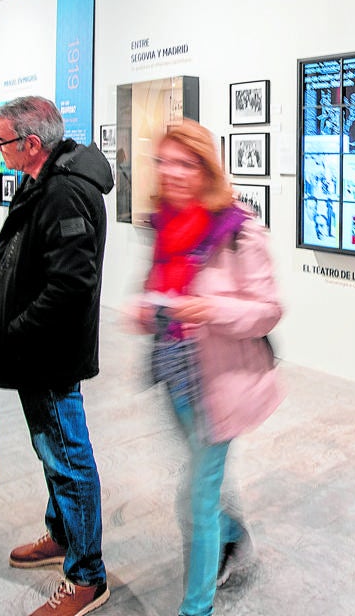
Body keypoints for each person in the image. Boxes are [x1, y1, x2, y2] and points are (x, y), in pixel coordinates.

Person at [129, 119, 283, 616]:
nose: (171, 173)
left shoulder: (238, 229)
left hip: (219, 382)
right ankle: (233, 537)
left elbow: (268, 309)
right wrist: (147, 310)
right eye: (164, 162)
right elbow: (158, 292)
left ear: (206, 168)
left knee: (195, 500)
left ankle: (196, 607)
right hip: (174, 374)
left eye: (185, 163)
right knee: (206, 484)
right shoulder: (165, 224)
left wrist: (210, 310)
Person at [0, 96, 114, 616]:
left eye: (2, 142)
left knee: (68, 458)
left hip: (48, 356)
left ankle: (86, 575)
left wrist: (18, 331)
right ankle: (61, 535)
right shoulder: (42, 183)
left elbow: (72, 285)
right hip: (36, 353)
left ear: (32, 144)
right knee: (52, 451)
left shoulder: (63, 193)